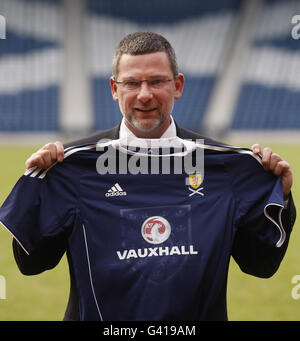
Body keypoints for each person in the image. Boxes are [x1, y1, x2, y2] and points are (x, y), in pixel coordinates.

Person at [0, 32, 296, 321]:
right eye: (132, 83)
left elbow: (261, 265)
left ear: (177, 86)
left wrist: (280, 196)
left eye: (156, 81)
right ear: (115, 89)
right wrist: (39, 186)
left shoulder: (223, 165)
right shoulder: (73, 165)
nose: (144, 94)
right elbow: (31, 263)